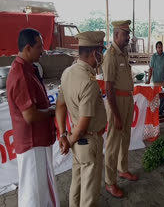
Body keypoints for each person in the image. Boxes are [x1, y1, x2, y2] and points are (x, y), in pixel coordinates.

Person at [6, 28, 64, 207]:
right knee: (33, 188)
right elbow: (30, 115)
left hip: (36, 139)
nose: (43, 51)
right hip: (33, 142)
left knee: (39, 185)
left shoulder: (28, 68)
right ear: (27, 48)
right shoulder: (21, 75)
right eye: (39, 47)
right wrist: (51, 111)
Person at [55, 31, 107, 206]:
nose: (102, 55)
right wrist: (68, 141)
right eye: (101, 51)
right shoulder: (89, 82)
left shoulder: (67, 72)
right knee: (89, 193)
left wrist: (63, 135)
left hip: (77, 141)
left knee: (76, 183)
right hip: (87, 140)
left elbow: (60, 106)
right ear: (94, 53)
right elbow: (84, 124)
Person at [102, 20, 138, 198]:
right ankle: (110, 182)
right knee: (113, 143)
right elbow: (108, 88)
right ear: (116, 35)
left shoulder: (123, 53)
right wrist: (115, 115)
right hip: (116, 102)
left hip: (127, 100)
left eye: (128, 34)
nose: (128, 37)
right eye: (125, 34)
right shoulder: (110, 56)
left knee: (125, 138)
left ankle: (122, 169)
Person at [146, 41, 164, 115]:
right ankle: (155, 112)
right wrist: (148, 79)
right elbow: (151, 69)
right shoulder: (154, 57)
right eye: (159, 47)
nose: (160, 49)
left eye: (161, 47)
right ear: (156, 48)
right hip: (156, 81)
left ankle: (161, 111)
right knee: (156, 97)